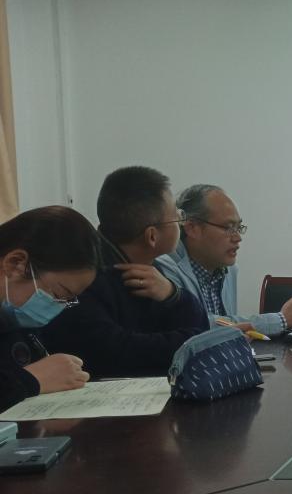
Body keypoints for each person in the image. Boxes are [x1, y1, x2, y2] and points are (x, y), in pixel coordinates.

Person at [39, 166, 209, 378]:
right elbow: (118, 352)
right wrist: (194, 343)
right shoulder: (85, 273)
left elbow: (199, 328)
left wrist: (173, 294)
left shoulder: (152, 271)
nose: (181, 223)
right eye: (177, 217)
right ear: (152, 236)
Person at [156, 184, 292, 335]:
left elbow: (226, 327)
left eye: (238, 228)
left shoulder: (229, 269)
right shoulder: (163, 268)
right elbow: (200, 325)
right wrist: (280, 320)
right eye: (228, 227)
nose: (237, 238)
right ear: (192, 228)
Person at [0, 206, 99, 411]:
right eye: (58, 294)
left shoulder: (13, 321)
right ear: (15, 264)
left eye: (68, 300)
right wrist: (31, 379)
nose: (59, 306)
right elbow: (30, 377)